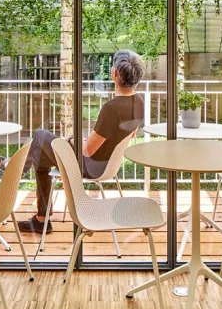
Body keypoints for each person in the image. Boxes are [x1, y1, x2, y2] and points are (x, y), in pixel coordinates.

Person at [17, 50, 146, 234]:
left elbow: (87, 151)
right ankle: (40, 218)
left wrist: (73, 139)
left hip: (91, 166)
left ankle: (16, 174)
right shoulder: (139, 102)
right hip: (109, 165)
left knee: (39, 136)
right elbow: (130, 134)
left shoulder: (111, 108)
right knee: (41, 158)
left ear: (115, 74)